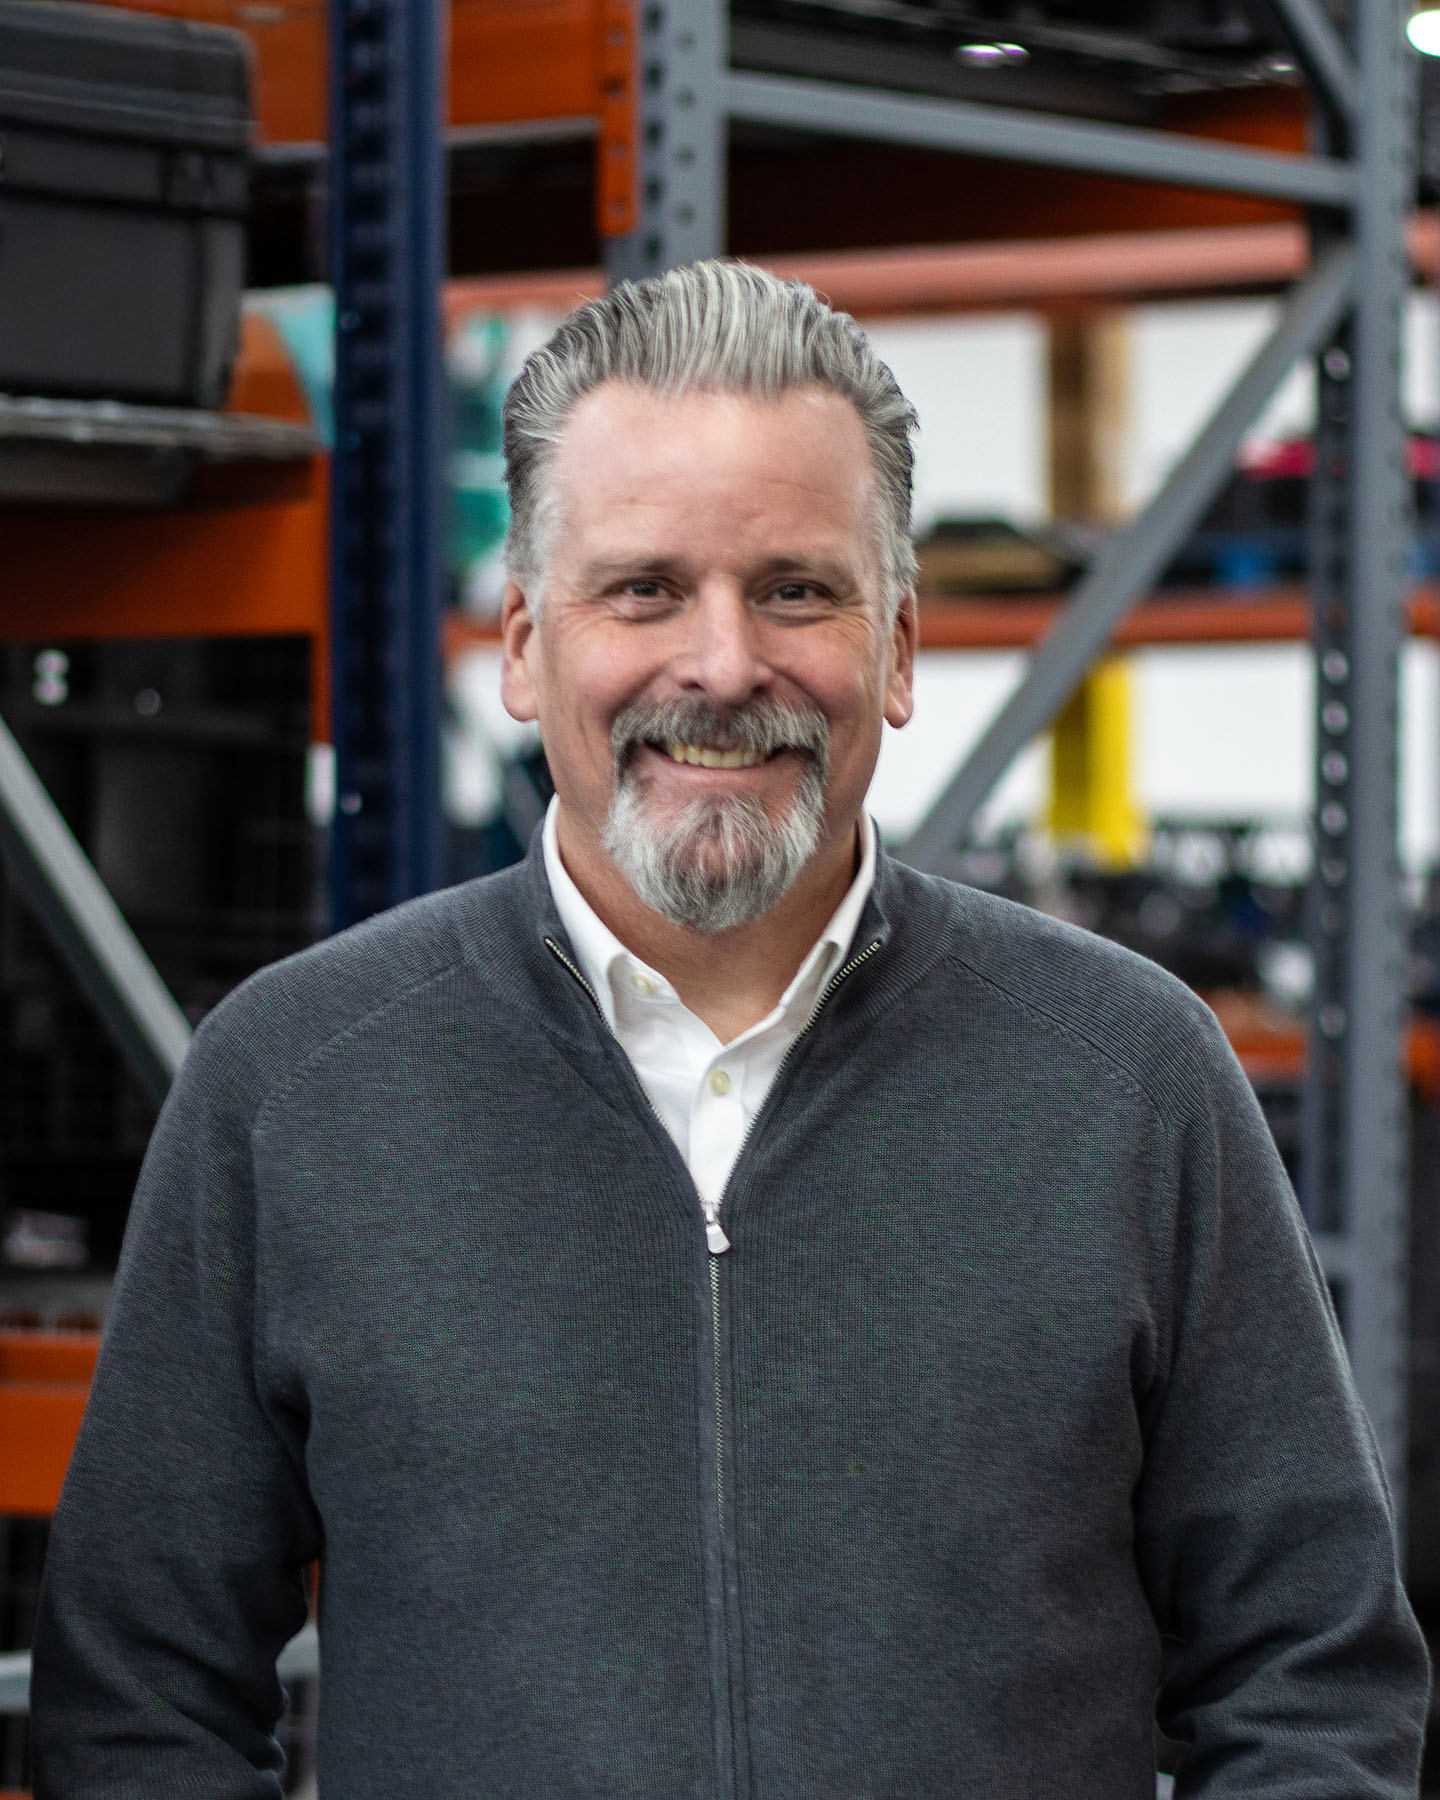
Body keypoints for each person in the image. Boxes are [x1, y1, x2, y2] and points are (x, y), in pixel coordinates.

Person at [31, 261, 1430, 1798]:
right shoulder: (295, 1086)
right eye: (643, 589)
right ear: (520, 645)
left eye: (796, 591)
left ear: (896, 648)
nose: (721, 666)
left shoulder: (1128, 1077)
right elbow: (140, 1708)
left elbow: (1310, 1677)